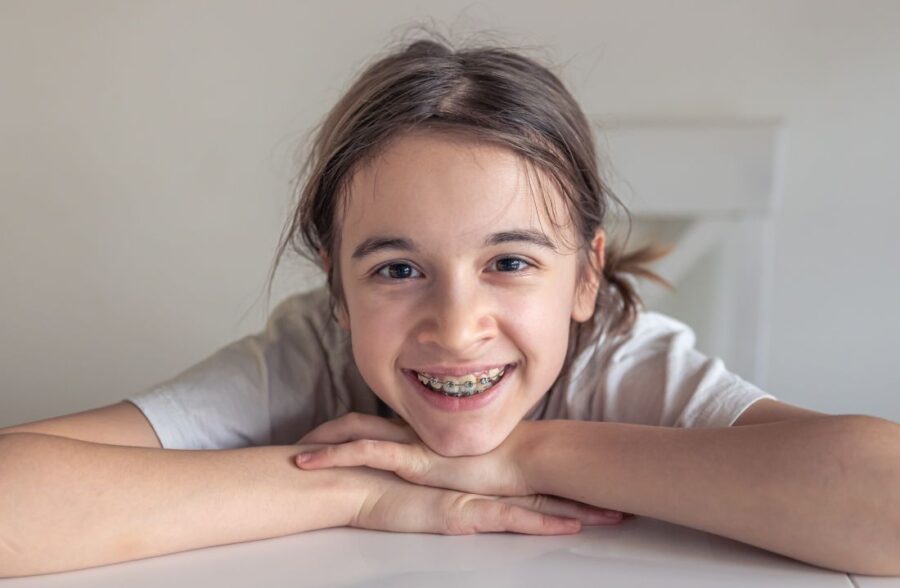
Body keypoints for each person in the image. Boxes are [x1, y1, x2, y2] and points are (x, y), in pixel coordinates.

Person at [2, 31, 898, 579]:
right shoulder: (308, 355)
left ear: (585, 278)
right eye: (396, 270)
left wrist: (528, 457)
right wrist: (356, 493)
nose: (457, 327)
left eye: (509, 261)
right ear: (338, 293)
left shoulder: (622, 360)